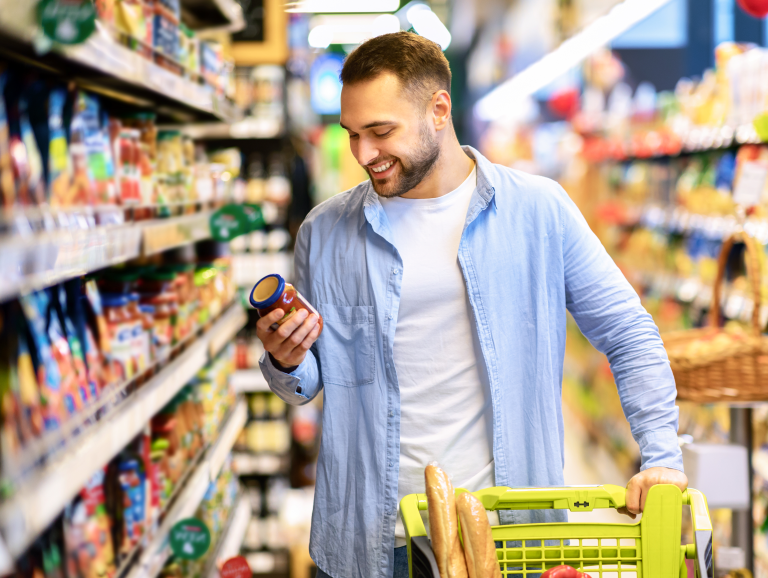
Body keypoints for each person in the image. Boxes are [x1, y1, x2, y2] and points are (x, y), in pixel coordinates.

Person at [256, 31, 687, 578]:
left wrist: (662, 457)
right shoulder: (325, 231)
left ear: (439, 109)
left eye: (382, 131)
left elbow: (628, 332)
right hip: (369, 544)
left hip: (509, 539)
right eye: (353, 134)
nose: (364, 154)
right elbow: (309, 380)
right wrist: (286, 359)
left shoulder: (537, 210)